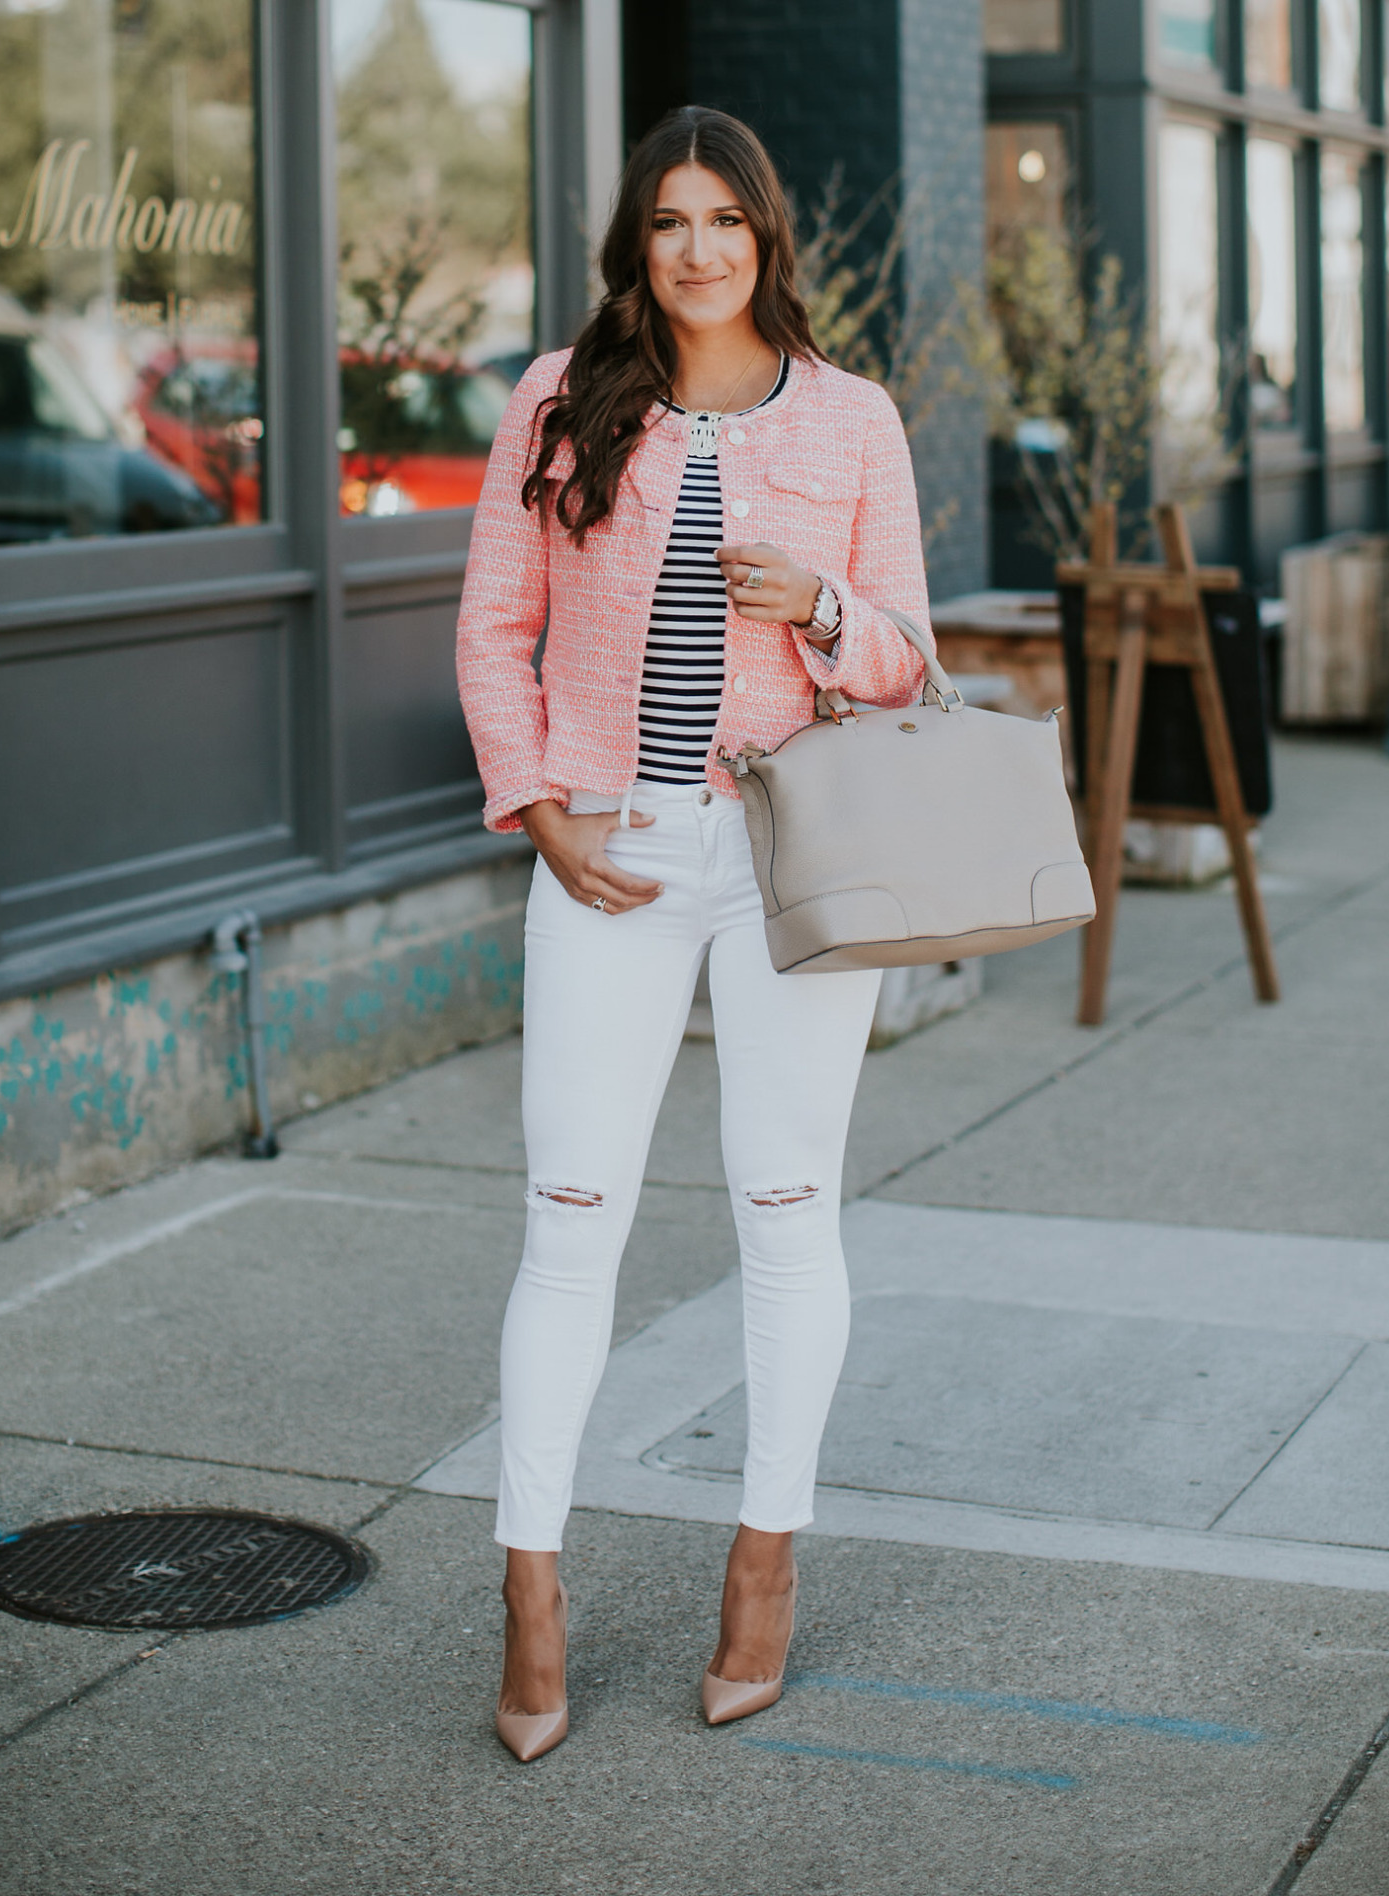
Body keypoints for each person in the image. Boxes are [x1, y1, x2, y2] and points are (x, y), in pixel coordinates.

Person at [456, 106, 932, 1762]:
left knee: (786, 1215)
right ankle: (530, 1591)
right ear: (636, 246)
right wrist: (540, 806)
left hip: (790, 862)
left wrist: (825, 608)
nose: (700, 247)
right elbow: (492, 627)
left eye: (727, 218)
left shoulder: (856, 420)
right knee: (568, 1219)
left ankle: (764, 1566)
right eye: (670, 220)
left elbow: (911, 664)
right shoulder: (558, 397)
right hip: (612, 864)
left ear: (767, 238)